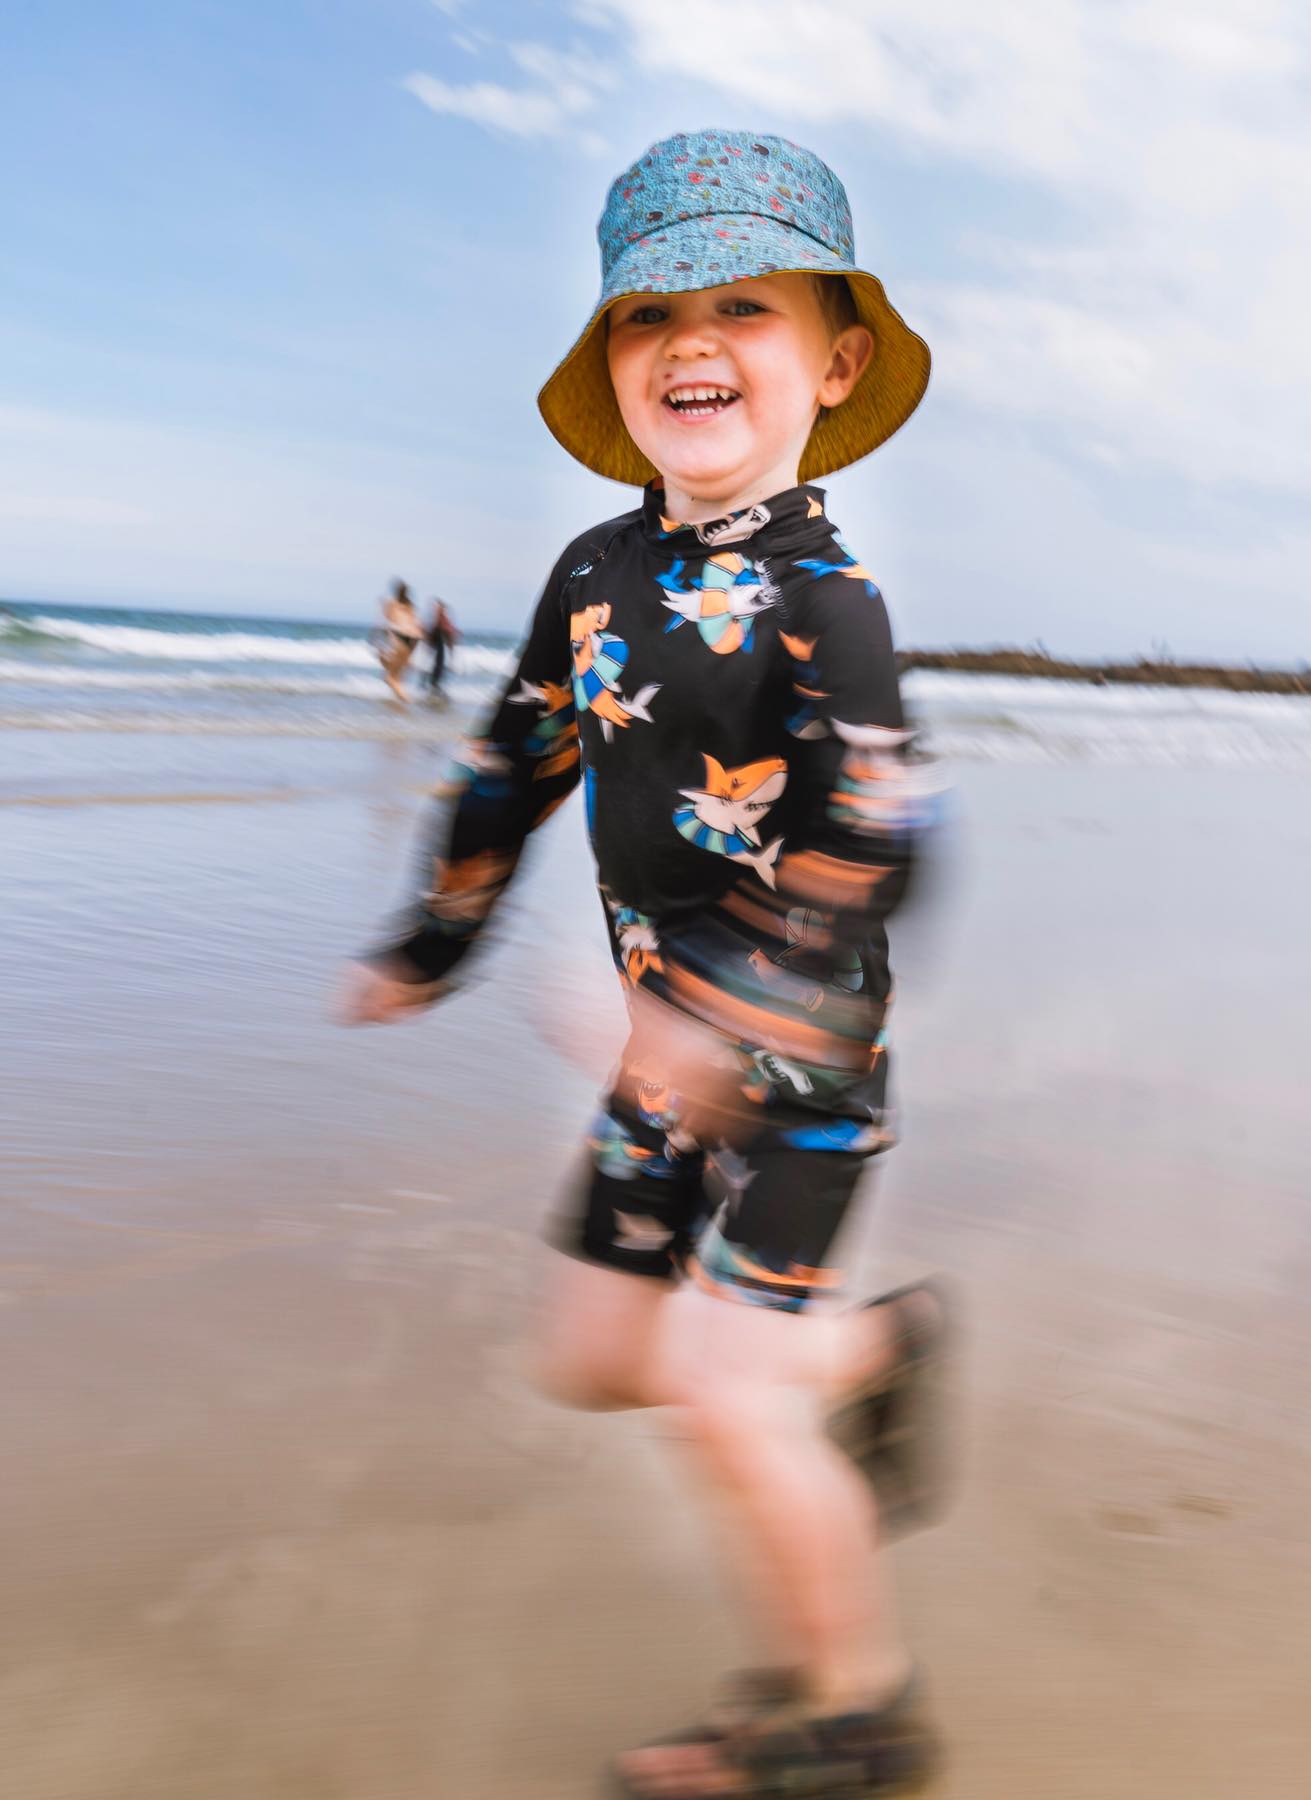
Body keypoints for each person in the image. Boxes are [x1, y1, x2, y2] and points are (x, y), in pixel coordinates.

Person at [342, 130, 950, 1797]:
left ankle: (855, 1713)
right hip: (659, 1066)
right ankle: (873, 1349)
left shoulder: (831, 603)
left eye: (743, 304)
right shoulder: (593, 575)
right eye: (648, 313)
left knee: (725, 1394)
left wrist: (727, 1016)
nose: (691, 340)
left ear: (834, 364)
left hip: (801, 1077)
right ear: (613, 362)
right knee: (598, 1355)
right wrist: (432, 942)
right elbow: (514, 761)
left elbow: (881, 844)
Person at [376, 579, 423, 702]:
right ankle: (400, 698)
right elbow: (415, 624)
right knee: (397, 671)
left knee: (391, 676)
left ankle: (405, 701)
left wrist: (382, 606)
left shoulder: (392, 604)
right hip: (413, 638)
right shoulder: (410, 606)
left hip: (400, 635)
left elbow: (388, 619)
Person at [424, 598, 458, 697]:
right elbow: (447, 629)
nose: (434, 608)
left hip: (441, 640)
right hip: (440, 640)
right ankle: (434, 685)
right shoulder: (441, 616)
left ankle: (434, 685)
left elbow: (446, 629)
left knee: (439, 663)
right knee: (439, 663)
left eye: (437, 606)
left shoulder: (441, 616)